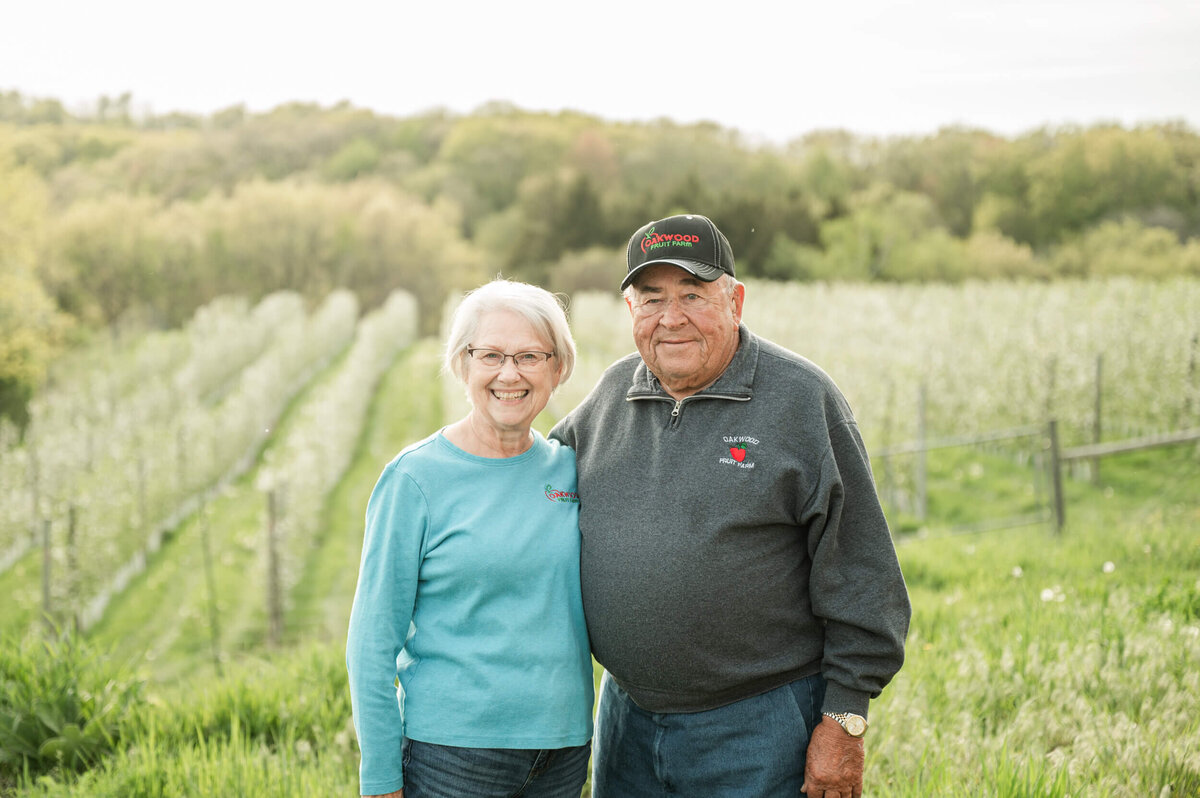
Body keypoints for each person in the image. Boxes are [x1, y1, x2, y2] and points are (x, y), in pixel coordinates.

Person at [550, 214, 911, 798]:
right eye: (652, 298)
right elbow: (529, 481)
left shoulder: (802, 401)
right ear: (629, 309)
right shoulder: (612, 397)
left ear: (735, 300)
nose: (671, 318)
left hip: (758, 726)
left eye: (693, 294)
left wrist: (844, 718)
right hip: (626, 719)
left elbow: (863, 572)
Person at [346, 279, 594, 798]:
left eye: (530, 356)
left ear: (558, 368)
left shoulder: (573, 470)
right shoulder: (414, 479)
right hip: (451, 758)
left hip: (564, 751)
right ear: (462, 364)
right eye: (491, 355)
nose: (510, 373)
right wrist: (380, 778)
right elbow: (371, 645)